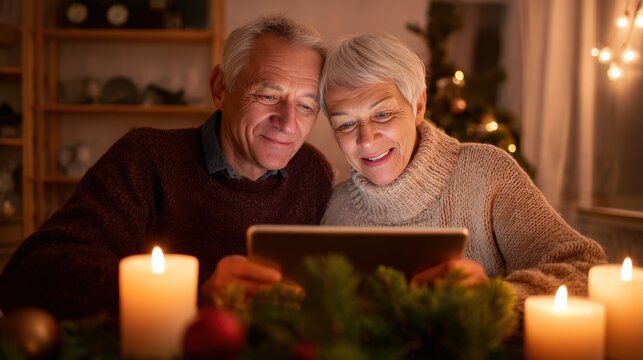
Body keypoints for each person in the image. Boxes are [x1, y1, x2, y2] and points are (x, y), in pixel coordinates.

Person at [0, 15, 333, 319]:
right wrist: (191, 295)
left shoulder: (314, 172)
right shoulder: (146, 158)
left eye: (306, 105)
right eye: (268, 96)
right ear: (220, 88)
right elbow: (33, 272)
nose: (289, 123)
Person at [319, 33, 607, 311]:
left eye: (382, 114)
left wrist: (496, 297)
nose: (366, 139)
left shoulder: (487, 174)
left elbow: (587, 271)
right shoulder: (336, 209)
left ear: (418, 106)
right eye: (345, 124)